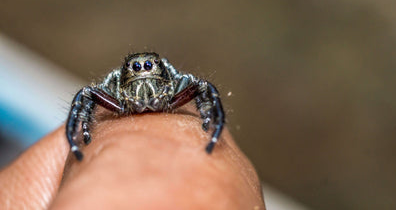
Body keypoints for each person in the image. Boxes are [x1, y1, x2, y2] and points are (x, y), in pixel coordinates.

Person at [0, 107, 265, 209]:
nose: (143, 74)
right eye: (136, 69)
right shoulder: (113, 94)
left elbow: (200, 89)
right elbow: (88, 97)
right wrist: (77, 141)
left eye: (150, 67)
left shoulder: (178, 88)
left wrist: (211, 127)